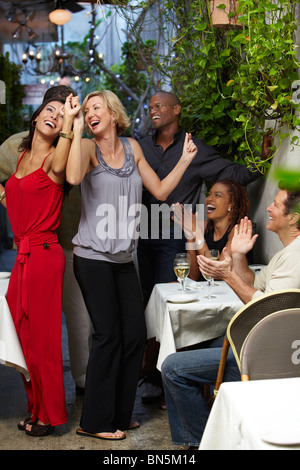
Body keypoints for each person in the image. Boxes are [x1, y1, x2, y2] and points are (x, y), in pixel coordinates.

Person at [66, 90, 197, 441]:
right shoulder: (86, 148)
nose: (91, 112)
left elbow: (160, 191)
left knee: (135, 335)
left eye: (96, 108)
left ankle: (120, 415)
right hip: (92, 257)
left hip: (124, 258)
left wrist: (184, 159)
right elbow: (74, 178)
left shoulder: (132, 147)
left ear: (113, 113)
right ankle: (93, 422)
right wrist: (77, 125)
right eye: (87, 109)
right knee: (108, 335)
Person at [137, 90, 271, 403]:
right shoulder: (141, 145)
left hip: (175, 237)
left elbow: (234, 173)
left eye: (160, 105)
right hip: (142, 235)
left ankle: (163, 378)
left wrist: (261, 158)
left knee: (172, 301)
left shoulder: (194, 149)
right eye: (151, 105)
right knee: (148, 303)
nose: (154, 109)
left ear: (176, 109)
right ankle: (153, 373)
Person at [161, 188, 300, 448]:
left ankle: (201, 442)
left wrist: (228, 275)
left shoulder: (297, 257)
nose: (268, 208)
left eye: (275, 205)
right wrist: (237, 256)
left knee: (173, 368)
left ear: (293, 218)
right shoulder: (289, 251)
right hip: (263, 344)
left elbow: (269, 310)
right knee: (199, 343)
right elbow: (256, 282)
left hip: (269, 356)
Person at [0, 85, 92, 394]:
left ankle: (82, 384)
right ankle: (37, 400)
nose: (56, 114)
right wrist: (8, 199)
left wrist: (74, 129)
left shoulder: (72, 146)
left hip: (68, 244)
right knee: (26, 330)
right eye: (51, 109)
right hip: (28, 248)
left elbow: (74, 177)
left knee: (75, 322)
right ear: (38, 112)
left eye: (64, 110)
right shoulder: (16, 147)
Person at [172, 179, 250, 280]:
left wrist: (197, 232)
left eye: (217, 195)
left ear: (231, 204)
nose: (209, 199)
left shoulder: (238, 231)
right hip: (206, 289)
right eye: (209, 194)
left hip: (230, 292)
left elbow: (217, 272)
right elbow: (193, 277)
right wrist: (190, 236)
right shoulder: (202, 226)